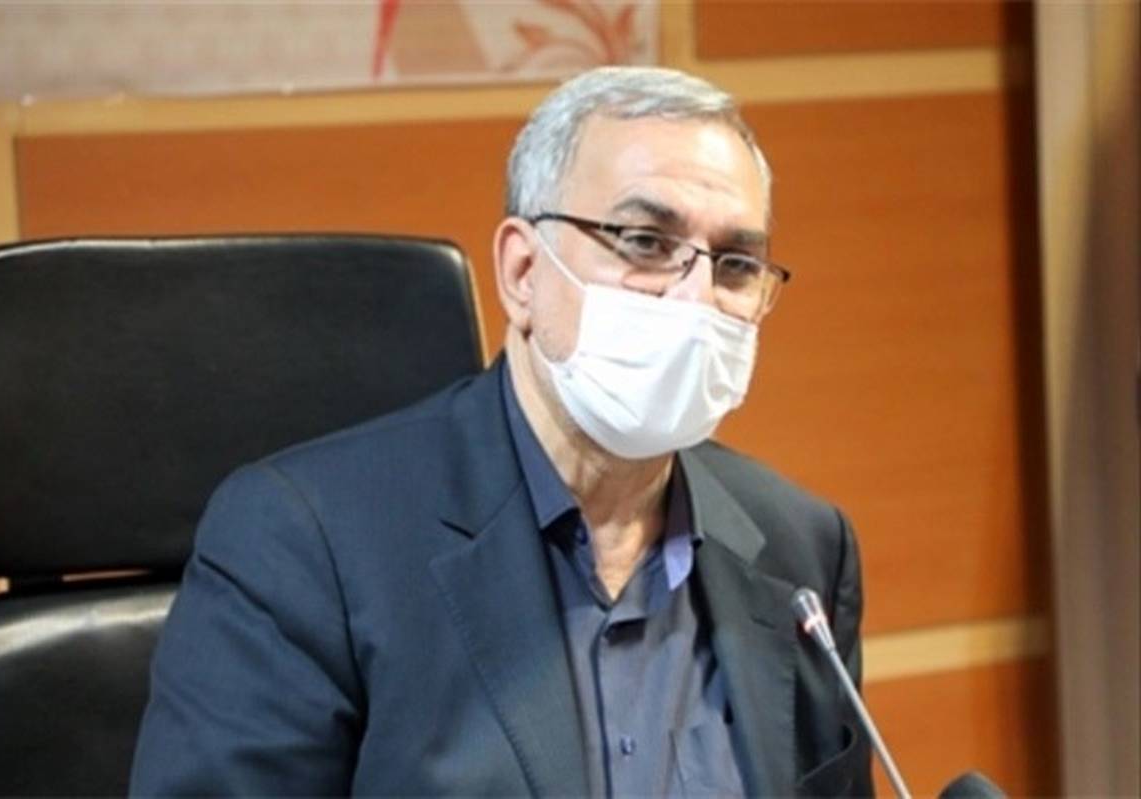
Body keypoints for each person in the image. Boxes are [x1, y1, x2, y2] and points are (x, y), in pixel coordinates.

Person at [130, 66, 872, 797]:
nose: (696, 298)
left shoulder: (803, 547)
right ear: (523, 273)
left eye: (736, 264)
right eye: (645, 242)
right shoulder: (301, 544)